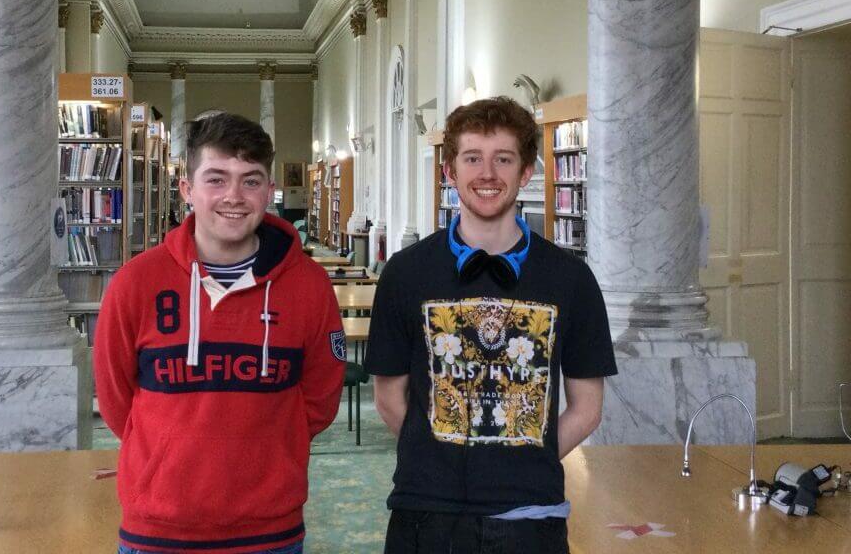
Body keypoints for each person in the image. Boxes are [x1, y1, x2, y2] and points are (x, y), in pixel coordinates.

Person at [365, 96, 617, 553]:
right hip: (427, 511)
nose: (487, 173)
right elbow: (388, 397)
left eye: (503, 159)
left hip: (530, 514)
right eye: (472, 158)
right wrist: (440, 456)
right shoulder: (405, 273)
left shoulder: (571, 279)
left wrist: (521, 459)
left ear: (525, 173)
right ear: (449, 171)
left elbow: (587, 408)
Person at [95, 112, 346, 554]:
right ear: (187, 189)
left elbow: (320, 399)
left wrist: (268, 452)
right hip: (157, 530)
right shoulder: (134, 284)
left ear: (270, 191)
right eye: (216, 179)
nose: (234, 196)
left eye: (250, 181)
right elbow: (117, 403)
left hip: (269, 530)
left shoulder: (309, 285)